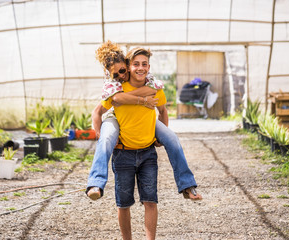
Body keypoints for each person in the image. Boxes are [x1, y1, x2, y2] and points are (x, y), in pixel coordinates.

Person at [86, 40, 202, 201]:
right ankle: (96, 183)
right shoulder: (113, 85)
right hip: (117, 118)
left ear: (127, 65)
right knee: (105, 140)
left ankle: (187, 185)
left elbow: (156, 96)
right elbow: (102, 108)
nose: (121, 76)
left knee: (172, 139)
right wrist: (99, 134)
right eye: (116, 74)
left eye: (122, 70)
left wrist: (158, 137)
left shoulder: (148, 81)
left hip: (146, 120)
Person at [105, 47, 163, 239]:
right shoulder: (118, 89)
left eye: (144, 64)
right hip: (123, 154)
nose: (140, 68)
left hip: (148, 154)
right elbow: (98, 111)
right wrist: (104, 137)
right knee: (123, 204)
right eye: (136, 64)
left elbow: (163, 110)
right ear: (129, 67)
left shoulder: (154, 87)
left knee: (150, 201)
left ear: (149, 67)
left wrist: (160, 136)